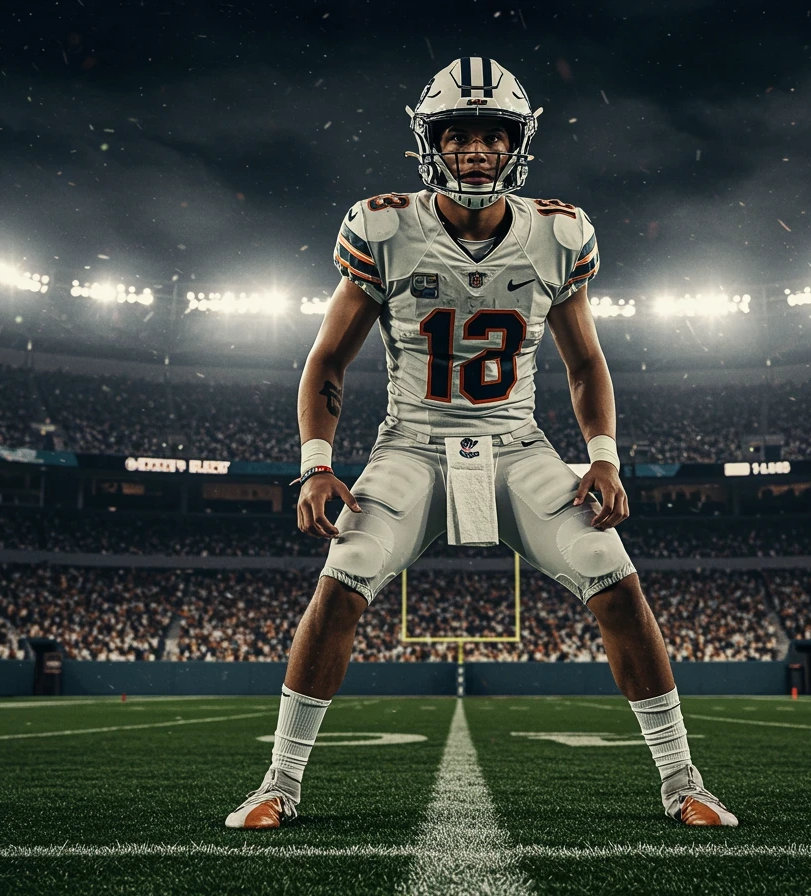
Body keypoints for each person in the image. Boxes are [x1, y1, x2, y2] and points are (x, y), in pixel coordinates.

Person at [225, 57, 737, 829]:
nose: (472, 152)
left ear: (516, 144)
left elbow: (585, 360)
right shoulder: (384, 227)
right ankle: (279, 784)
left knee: (614, 575)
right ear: (429, 143)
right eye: (456, 136)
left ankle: (683, 782)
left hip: (519, 446)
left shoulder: (558, 233)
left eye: (489, 137)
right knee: (344, 576)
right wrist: (316, 467)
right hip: (414, 446)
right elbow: (327, 359)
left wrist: (603, 455)